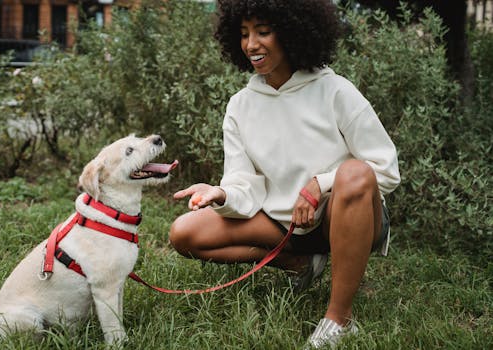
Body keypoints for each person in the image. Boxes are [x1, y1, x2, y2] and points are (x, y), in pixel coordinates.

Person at [169, 0, 401, 348]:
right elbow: (244, 182)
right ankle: (299, 262)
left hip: (343, 215)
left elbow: (384, 169)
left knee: (354, 173)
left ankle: (339, 318)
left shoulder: (335, 90)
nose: (251, 44)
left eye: (263, 32)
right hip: (284, 223)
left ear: (292, 32)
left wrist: (321, 184)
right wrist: (222, 194)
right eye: (245, 34)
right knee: (184, 234)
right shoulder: (240, 105)